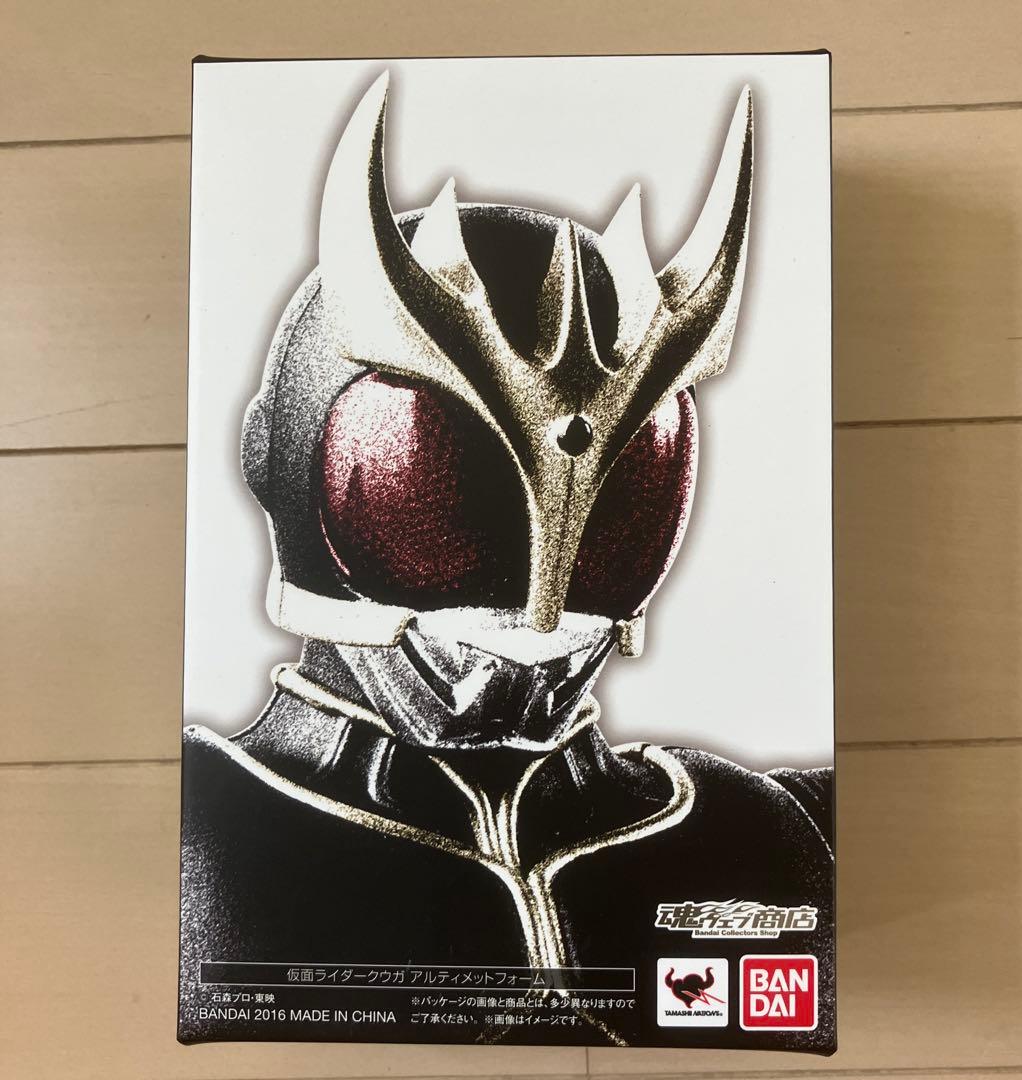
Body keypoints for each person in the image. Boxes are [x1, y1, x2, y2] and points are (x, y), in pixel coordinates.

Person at [179, 73, 834, 1050]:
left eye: (627, 501)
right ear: (286, 455)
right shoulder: (201, 832)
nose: (533, 623)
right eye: (437, 493)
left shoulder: (756, 825)